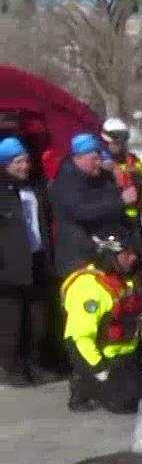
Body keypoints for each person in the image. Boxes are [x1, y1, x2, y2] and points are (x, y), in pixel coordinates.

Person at [61, 234, 142, 414]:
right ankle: (84, 385)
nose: (133, 258)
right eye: (126, 254)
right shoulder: (90, 288)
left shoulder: (130, 280)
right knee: (125, 402)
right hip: (103, 359)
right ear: (110, 257)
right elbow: (78, 339)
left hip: (127, 354)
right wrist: (100, 371)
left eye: (133, 253)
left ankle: (122, 380)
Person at [50, 132, 140, 278]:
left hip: (105, 254)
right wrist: (120, 202)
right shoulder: (67, 182)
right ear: (78, 158)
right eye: (94, 159)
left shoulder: (101, 177)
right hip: (78, 257)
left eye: (99, 157)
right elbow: (81, 211)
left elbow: (114, 209)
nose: (99, 163)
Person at [0, 138, 52, 387]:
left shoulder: (34, 187)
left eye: (26, 161)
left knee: (38, 321)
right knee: (12, 324)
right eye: (17, 162)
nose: (24, 166)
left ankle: (36, 363)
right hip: (8, 266)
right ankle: (12, 368)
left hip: (36, 258)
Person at [100, 117, 142, 257]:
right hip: (111, 222)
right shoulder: (100, 165)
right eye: (115, 142)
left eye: (121, 142)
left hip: (134, 221)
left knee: (141, 256)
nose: (119, 146)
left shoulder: (135, 163)